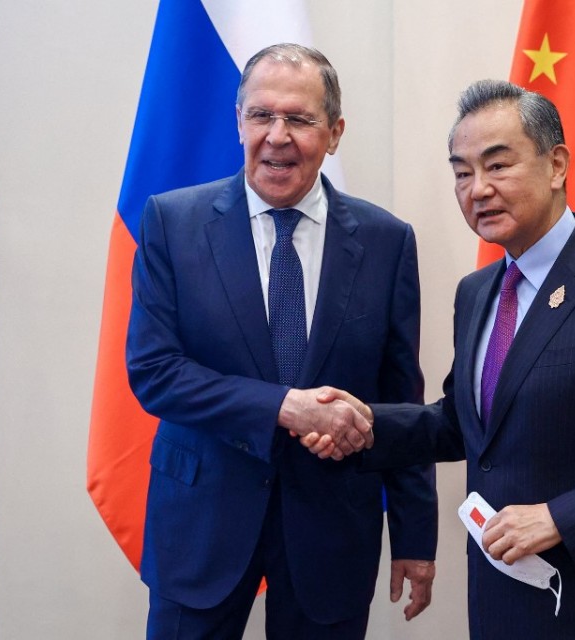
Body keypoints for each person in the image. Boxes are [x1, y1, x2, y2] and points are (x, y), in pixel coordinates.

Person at [302, 79, 575, 639]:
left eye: (498, 166)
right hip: (499, 601)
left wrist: (559, 518)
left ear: (556, 166)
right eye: (462, 173)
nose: (478, 189)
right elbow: (465, 424)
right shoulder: (478, 292)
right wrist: (364, 424)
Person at [126, 43, 437, 640]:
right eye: (261, 115)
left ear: (335, 132)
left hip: (332, 528)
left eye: (298, 118)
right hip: (202, 524)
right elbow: (155, 372)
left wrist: (415, 536)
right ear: (238, 121)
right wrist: (285, 407)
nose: (277, 136)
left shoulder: (386, 241)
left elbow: (401, 399)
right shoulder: (173, 222)